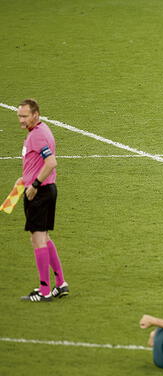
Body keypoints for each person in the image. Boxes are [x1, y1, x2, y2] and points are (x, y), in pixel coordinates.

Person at [17, 99, 69, 302]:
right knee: (44, 238)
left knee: (37, 240)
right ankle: (60, 283)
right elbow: (38, 162)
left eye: (24, 116)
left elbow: (51, 162)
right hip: (47, 189)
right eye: (19, 116)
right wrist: (25, 178)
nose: (21, 120)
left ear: (35, 114)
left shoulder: (37, 135)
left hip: (40, 193)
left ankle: (44, 290)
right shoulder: (42, 129)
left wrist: (34, 185)